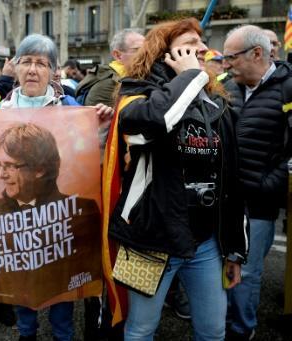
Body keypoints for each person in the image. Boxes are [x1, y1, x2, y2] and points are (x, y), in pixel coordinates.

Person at [109, 18, 248, 340]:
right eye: (190, 42)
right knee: (141, 329)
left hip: (205, 244)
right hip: (151, 239)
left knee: (213, 330)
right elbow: (149, 125)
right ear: (164, 54)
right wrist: (189, 76)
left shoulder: (218, 105)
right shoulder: (136, 93)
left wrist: (236, 249)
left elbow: (232, 182)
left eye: (201, 43)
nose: (202, 49)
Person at [0, 33, 112, 341]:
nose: (32, 70)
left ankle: (63, 335)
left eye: (41, 63)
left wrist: (100, 128)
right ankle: (26, 334)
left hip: (59, 216)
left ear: (53, 71)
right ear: (14, 68)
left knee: (62, 284)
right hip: (17, 216)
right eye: (26, 62)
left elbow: (88, 155)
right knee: (22, 281)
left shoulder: (70, 106)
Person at [0, 123, 102, 341]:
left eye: (9, 166)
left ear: (39, 168)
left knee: (63, 310)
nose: (0, 174)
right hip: (20, 286)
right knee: (23, 305)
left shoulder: (81, 209)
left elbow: (87, 265)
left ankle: (63, 336)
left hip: (61, 284)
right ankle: (27, 334)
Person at [222, 25, 292, 340]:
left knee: (247, 273)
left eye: (230, 57)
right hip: (225, 200)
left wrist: (268, 183)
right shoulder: (226, 87)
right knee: (224, 269)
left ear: (257, 53)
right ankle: (223, 325)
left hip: (259, 205)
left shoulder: (288, 87)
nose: (224, 64)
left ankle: (242, 330)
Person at [76, 28, 145, 108]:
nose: (147, 54)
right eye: (138, 50)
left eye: (147, 49)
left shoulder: (125, 77)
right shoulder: (110, 84)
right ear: (118, 55)